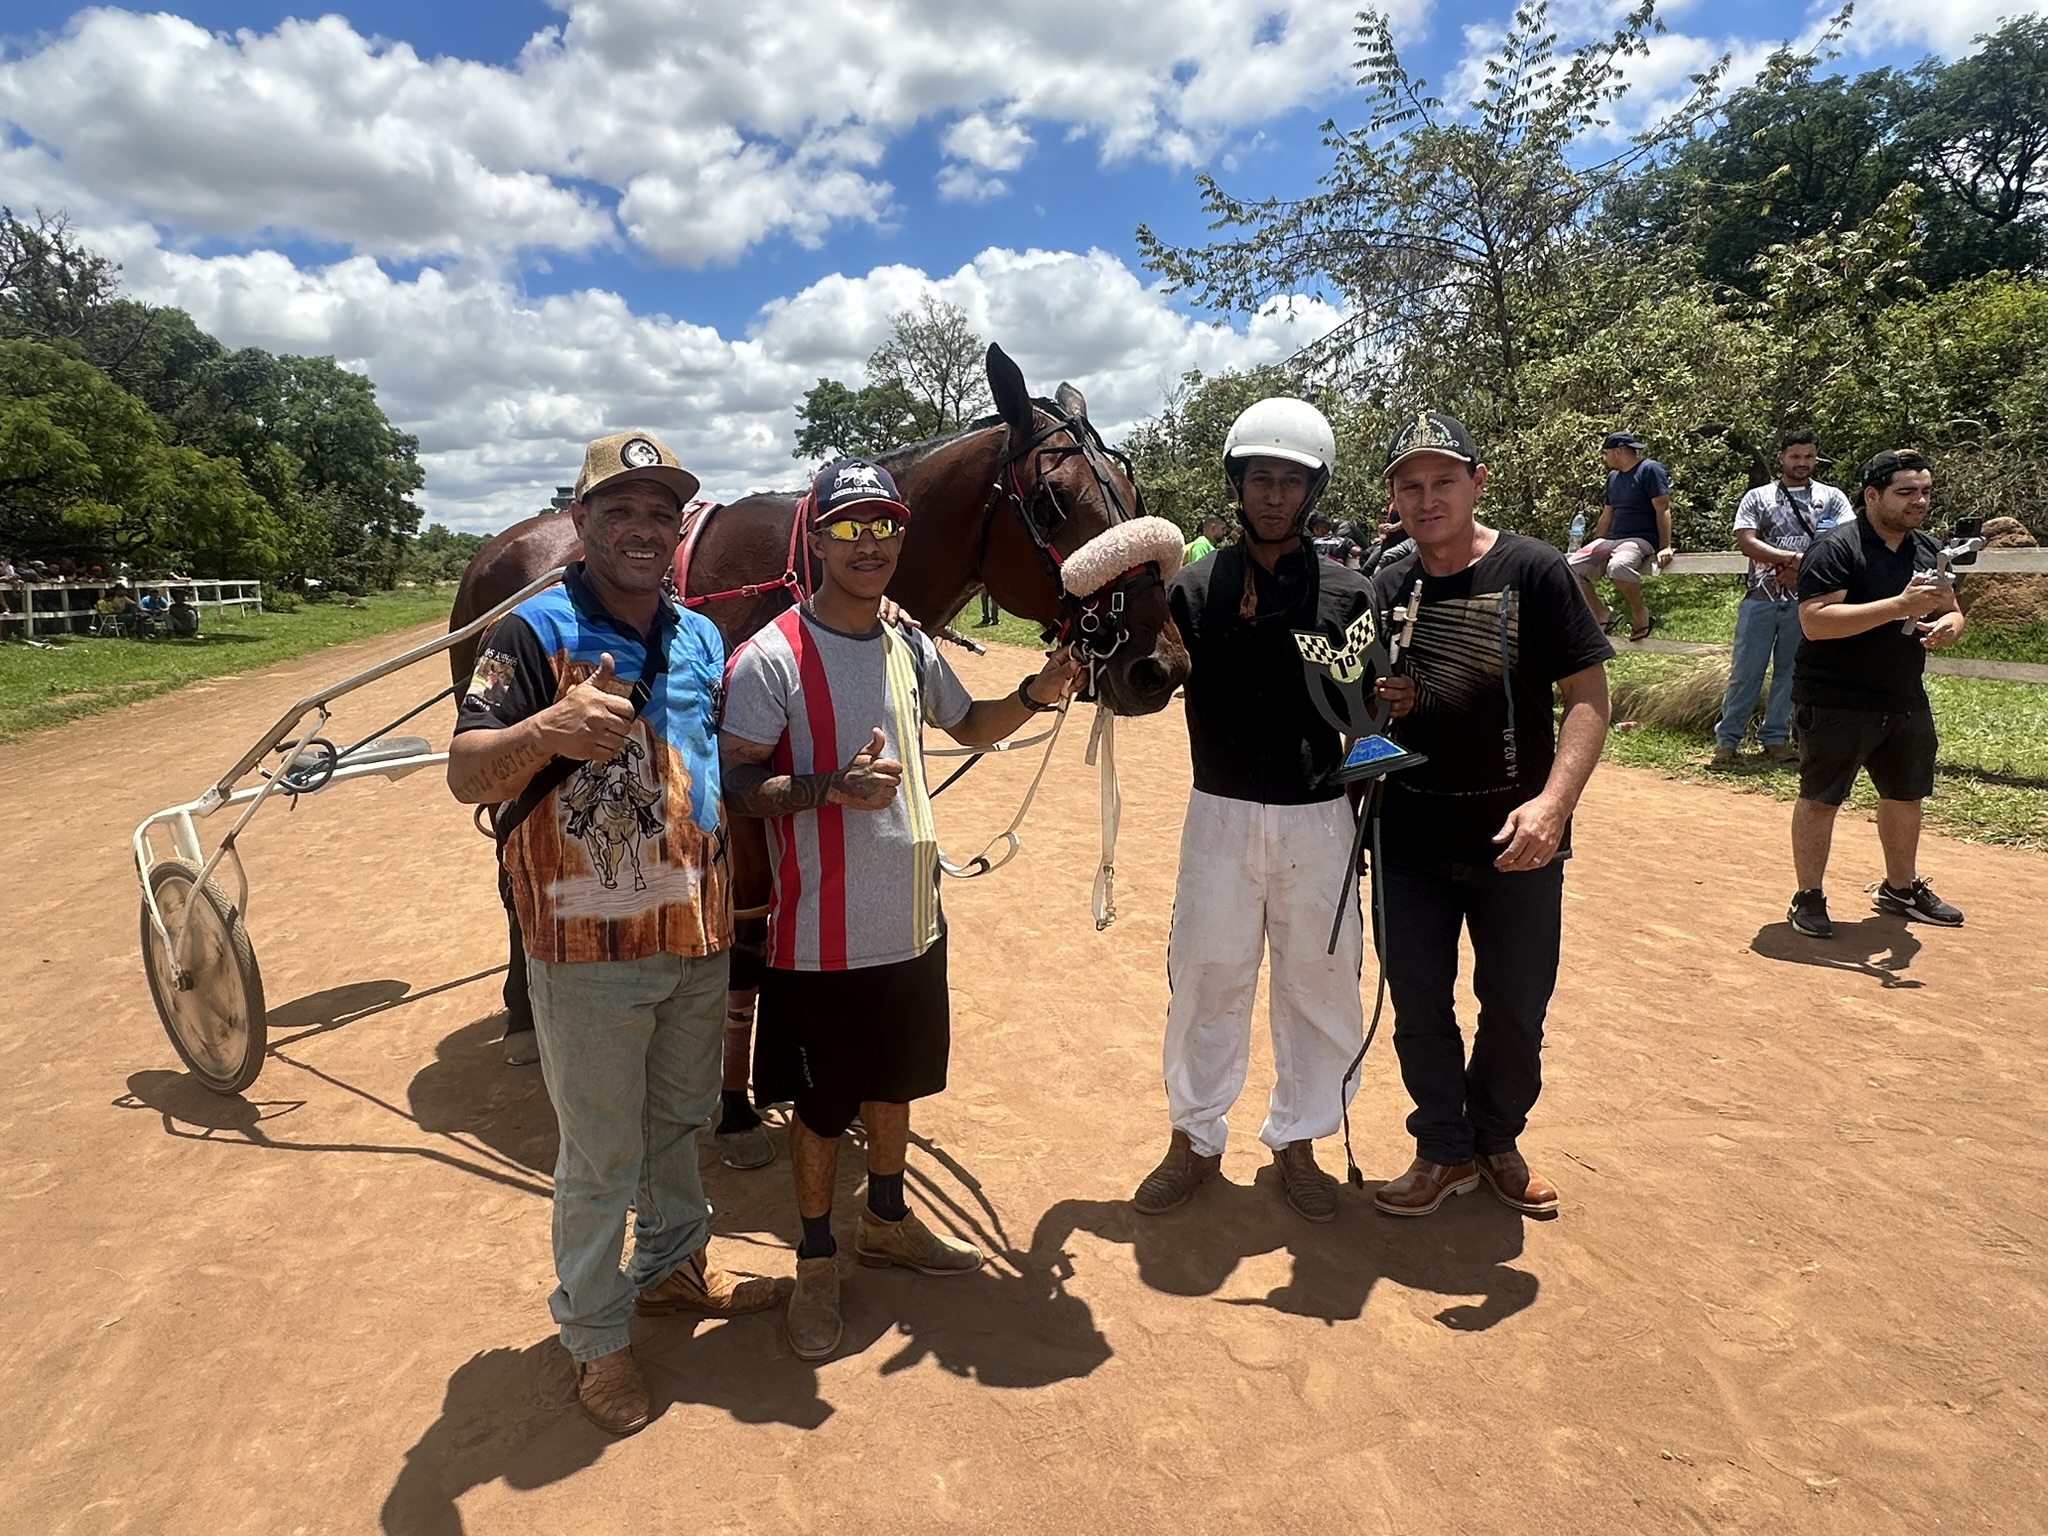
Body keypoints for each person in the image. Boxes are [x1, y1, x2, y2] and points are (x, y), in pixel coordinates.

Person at [447, 431, 784, 1437]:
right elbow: (465, 773)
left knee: (677, 1122)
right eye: (620, 510)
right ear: (582, 521)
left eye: (659, 513)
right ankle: (596, 1336)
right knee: (599, 1157)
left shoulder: (700, 638)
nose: (642, 528)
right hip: (586, 949)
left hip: (696, 931)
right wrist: (542, 732)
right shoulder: (529, 632)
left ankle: (675, 1268)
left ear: (679, 529)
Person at [719, 457, 1082, 1361]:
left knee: (896, 1081)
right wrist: (828, 789)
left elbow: (970, 726)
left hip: (914, 921)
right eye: (848, 527)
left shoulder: (908, 645)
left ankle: (886, 1220)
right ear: (817, 539)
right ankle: (815, 1260)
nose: (869, 543)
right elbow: (734, 784)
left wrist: (1038, 691)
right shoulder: (771, 657)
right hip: (819, 936)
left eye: (883, 525)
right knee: (820, 1106)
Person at [1131, 398, 1371, 1226]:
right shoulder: (1192, 589)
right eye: (1261, 478)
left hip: (1320, 815)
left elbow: (1368, 719)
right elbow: (1143, 687)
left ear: (1313, 491)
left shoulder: (1351, 592)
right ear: (1237, 484)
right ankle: (1193, 1140)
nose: (1274, 495)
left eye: (1291, 482)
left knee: (1320, 984)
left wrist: (1364, 806)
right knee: (1205, 978)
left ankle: (1300, 1140)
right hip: (1220, 813)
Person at [1369, 411, 1614, 1218]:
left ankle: (1498, 1141)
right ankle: (1444, 1150)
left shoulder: (1534, 570)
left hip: (1518, 843)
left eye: (1444, 481)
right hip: (1409, 842)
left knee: (1514, 1008)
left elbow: (1588, 698)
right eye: (1411, 485)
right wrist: (1382, 707)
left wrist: (1553, 806)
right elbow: (1359, 713)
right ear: (1395, 498)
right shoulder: (1385, 586)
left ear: (1476, 483)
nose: (1427, 499)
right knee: (1419, 1007)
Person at [1785, 448, 1967, 938]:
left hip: (1903, 695)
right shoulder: (1837, 548)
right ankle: (1808, 897)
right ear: (1872, 495)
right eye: (1905, 492)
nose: (1919, 501)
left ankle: (1900, 889)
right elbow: (1815, 622)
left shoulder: (1928, 550)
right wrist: (1899, 605)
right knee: (1822, 799)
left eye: (1925, 491)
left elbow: (1951, 608)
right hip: (1834, 697)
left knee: (1906, 795)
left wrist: (1950, 626)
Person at [1712, 432, 1856, 766]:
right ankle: (1727, 742)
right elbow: (1746, 542)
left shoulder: (1832, 497)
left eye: (1809, 456)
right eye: (1795, 456)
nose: (1802, 463)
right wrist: (1794, 560)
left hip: (1808, 601)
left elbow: (1843, 540)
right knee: (1746, 671)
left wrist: (1801, 570)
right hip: (1760, 597)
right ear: (1782, 457)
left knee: (1790, 672)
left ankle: (1775, 739)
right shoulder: (1757, 497)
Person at [1568, 430, 1673, 642]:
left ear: (1618, 451)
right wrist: (1597, 542)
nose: (1604, 459)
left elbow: (1663, 509)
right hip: (1613, 539)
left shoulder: (1649, 469)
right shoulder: (1613, 478)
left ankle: (1639, 612)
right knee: (1568, 567)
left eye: (1606, 453)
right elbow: (1608, 513)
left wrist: (1665, 546)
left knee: (1618, 566)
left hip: (1640, 538)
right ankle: (1601, 612)